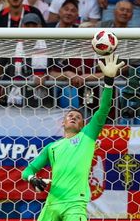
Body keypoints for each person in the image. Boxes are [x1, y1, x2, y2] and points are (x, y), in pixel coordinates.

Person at [22, 53, 124, 221]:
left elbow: (104, 108)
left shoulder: (87, 137)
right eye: (70, 116)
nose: (74, 117)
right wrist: (32, 178)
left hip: (75, 203)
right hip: (52, 203)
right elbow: (28, 170)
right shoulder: (52, 147)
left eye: (78, 117)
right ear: (62, 123)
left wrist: (109, 81)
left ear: (83, 126)